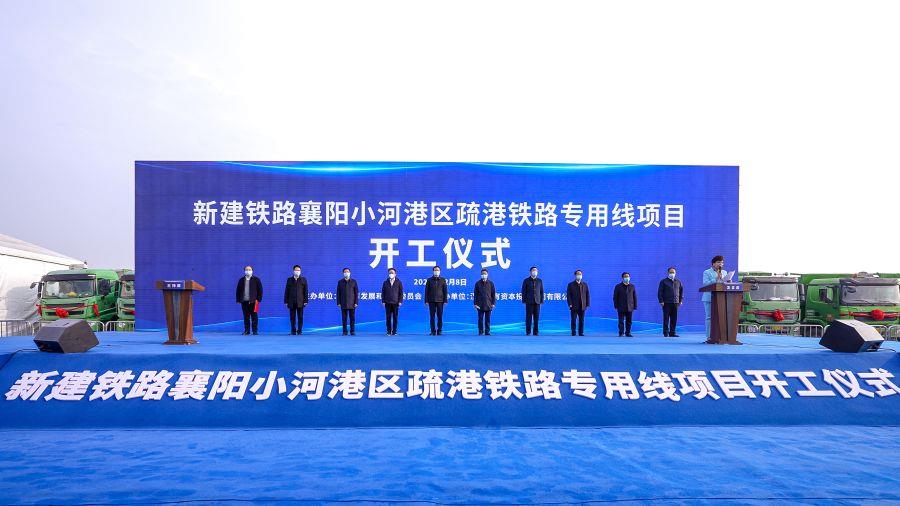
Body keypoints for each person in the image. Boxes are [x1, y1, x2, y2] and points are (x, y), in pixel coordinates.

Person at [702, 255, 727, 342]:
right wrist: (716, 279)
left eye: (722, 262)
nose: (720, 264)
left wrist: (728, 282)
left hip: (721, 298)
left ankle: (720, 336)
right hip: (709, 297)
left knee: (721, 317)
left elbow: (724, 284)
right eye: (718, 262)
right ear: (713, 263)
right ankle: (709, 337)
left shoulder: (724, 272)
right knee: (709, 317)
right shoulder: (707, 272)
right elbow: (705, 284)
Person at [235, 265, 263, 335]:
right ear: (244, 271)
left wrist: (258, 300)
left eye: (249, 269)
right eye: (246, 270)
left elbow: (260, 290)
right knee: (246, 317)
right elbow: (238, 290)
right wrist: (238, 299)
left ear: (252, 271)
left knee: (254, 316)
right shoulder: (241, 280)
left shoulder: (256, 279)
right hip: (244, 301)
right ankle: (247, 331)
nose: (248, 271)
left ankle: (255, 331)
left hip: (254, 302)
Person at [657, 267, 684, 337]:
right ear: (668, 273)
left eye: (673, 272)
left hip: (675, 303)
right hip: (666, 303)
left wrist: (680, 300)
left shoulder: (678, 282)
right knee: (666, 318)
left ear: (675, 273)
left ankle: (672, 333)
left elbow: (681, 292)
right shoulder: (663, 281)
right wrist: (661, 301)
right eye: (671, 272)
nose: (672, 274)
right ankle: (665, 332)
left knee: (674, 319)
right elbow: (660, 292)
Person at [283, 264, 309, 335]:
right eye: (296, 270)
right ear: (293, 271)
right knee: (292, 317)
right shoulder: (289, 280)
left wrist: (306, 301)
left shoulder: (303, 279)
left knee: (300, 317)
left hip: (300, 301)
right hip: (291, 301)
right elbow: (286, 291)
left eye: (298, 270)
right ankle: (293, 331)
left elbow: (305, 291)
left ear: (300, 271)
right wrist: (286, 301)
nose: (297, 271)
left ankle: (299, 331)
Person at [424, 266, 448, 335]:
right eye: (435, 270)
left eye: (437, 270)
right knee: (432, 316)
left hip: (440, 301)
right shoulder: (429, 280)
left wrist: (445, 300)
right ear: (433, 271)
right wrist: (426, 300)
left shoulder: (443, 280)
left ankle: (439, 330)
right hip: (431, 301)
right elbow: (426, 291)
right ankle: (433, 331)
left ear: (440, 271)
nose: (436, 271)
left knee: (440, 316)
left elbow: (445, 291)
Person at [521, 266, 544, 335]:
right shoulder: (526, 280)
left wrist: (541, 301)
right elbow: (523, 291)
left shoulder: (539, 281)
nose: (535, 272)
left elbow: (541, 291)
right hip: (529, 302)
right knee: (528, 317)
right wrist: (524, 300)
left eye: (536, 271)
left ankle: (536, 332)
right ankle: (528, 331)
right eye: (533, 270)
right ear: (530, 272)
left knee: (536, 317)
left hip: (537, 302)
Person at [613, 272, 637, 337]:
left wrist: (635, 306)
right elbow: (615, 297)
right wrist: (616, 305)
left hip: (630, 306)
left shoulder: (632, 286)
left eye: (628, 276)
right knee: (621, 321)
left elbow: (634, 297)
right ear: (622, 278)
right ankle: (621, 333)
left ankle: (628, 333)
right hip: (621, 306)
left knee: (629, 321)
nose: (627, 278)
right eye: (625, 276)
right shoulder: (618, 286)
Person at [473, 268, 497, 335]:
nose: (484, 275)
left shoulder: (491, 283)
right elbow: (475, 294)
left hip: (489, 304)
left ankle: (487, 331)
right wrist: (475, 304)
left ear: (487, 274)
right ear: (481, 275)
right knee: (480, 319)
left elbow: (493, 294)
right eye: (482, 274)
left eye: (485, 274)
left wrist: (493, 303)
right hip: (480, 305)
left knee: (487, 319)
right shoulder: (477, 283)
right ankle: (480, 331)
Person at [567, 269, 590, 336]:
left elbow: (587, 294)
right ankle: (573, 332)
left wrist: (587, 304)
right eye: (578, 274)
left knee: (581, 320)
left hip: (582, 305)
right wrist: (570, 304)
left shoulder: (585, 284)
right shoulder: (571, 285)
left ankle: (581, 332)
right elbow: (568, 295)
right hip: (574, 305)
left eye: (580, 274)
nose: (579, 275)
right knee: (573, 320)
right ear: (575, 275)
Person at [381, 267, 403, 335]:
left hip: (396, 303)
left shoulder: (399, 282)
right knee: (388, 318)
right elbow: (383, 292)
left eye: (392, 273)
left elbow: (401, 293)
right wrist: (383, 301)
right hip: (387, 302)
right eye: (390, 273)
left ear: (395, 274)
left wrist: (400, 301)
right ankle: (388, 331)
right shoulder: (385, 282)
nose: (391, 274)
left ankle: (394, 331)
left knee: (395, 317)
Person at [336, 267, 359, 335]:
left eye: (348, 271)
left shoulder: (354, 281)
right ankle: (345, 331)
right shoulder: (340, 282)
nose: (346, 273)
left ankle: (352, 331)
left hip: (352, 303)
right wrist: (338, 302)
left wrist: (356, 302)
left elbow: (356, 293)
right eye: (345, 272)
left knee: (352, 318)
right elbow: (338, 293)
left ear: (350, 273)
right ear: (343, 273)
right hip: (343, 303)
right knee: (344, 318)